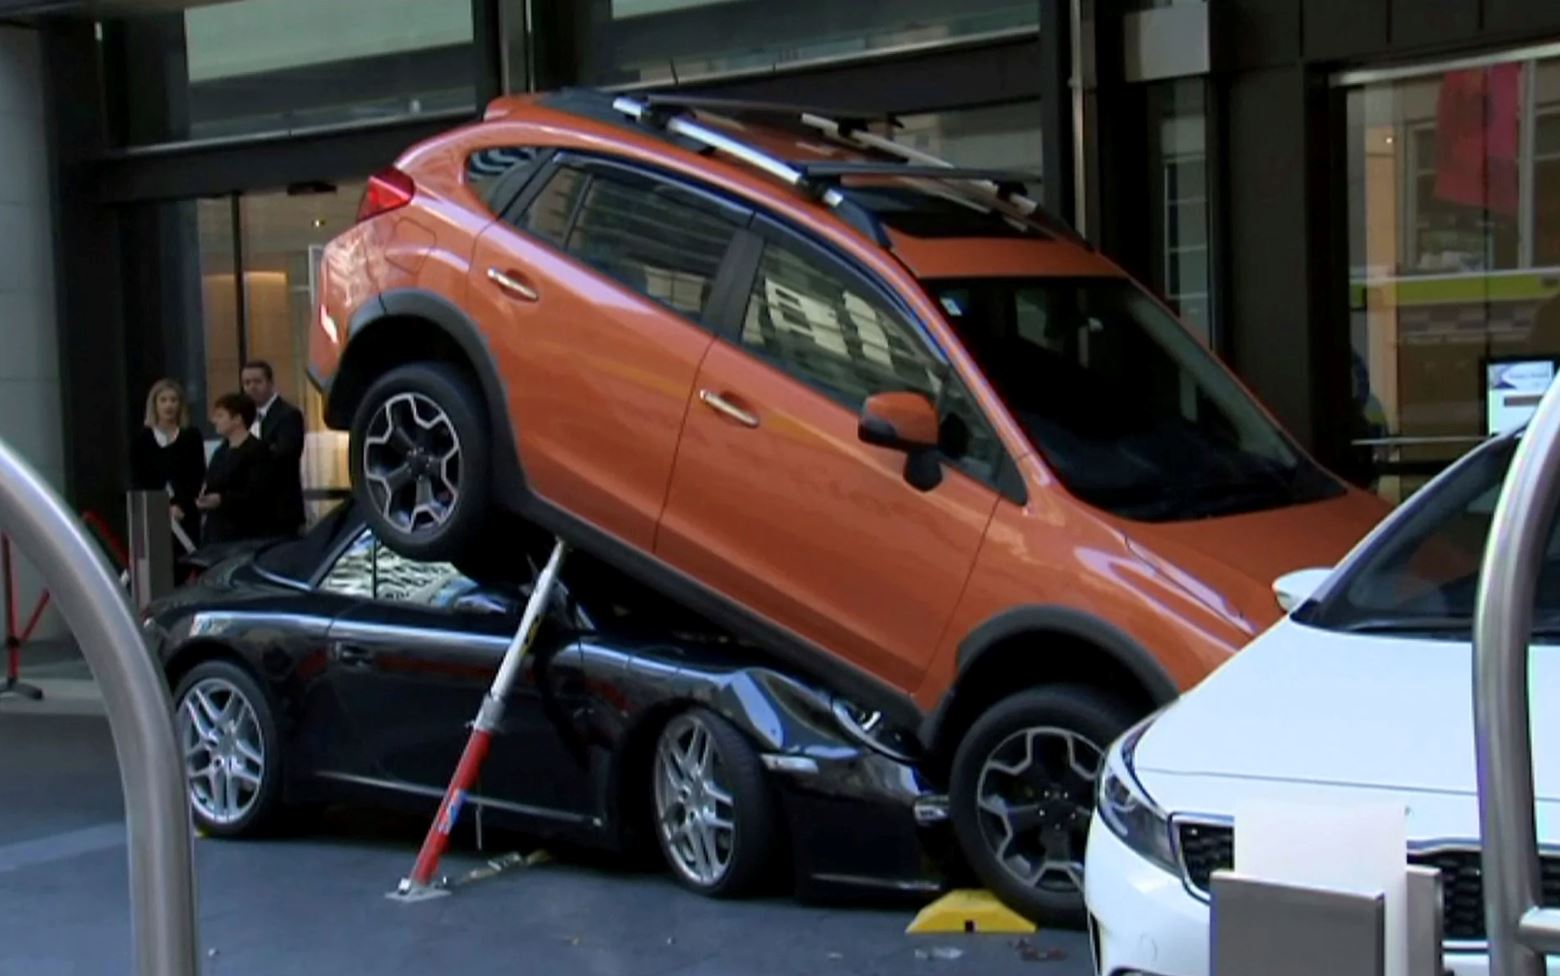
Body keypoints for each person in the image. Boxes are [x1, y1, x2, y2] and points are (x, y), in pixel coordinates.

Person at [129, 378, 206, 554]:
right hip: (152, 514)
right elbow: (139, 478)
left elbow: (197, 475)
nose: (169, 405)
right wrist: (163, 507)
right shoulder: (142, 439)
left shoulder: (191, 436)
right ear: (154, 404)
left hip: (185, 513)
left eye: (173, 400)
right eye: (163, 400)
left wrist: (180, 505)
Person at [241, 360, 306, 536]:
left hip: (280, 510)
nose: (252, 388)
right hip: (251, 511)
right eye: (247, 383)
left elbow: (286, 454)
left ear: (270, 383)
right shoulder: (242, 417)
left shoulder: (288, 414)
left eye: (257, 382)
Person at [197, 393, 272, 545]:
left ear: (237, 419)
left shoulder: (258, 450)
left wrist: (222, 500)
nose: (214, 420)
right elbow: (211, 482)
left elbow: (258, 494)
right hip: (217, 532)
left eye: (220, 415)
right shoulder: (221, 451)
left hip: (245, 533)